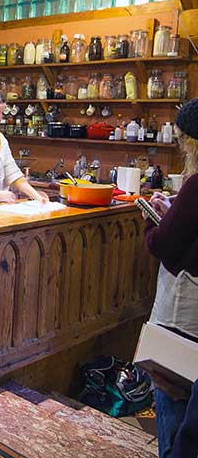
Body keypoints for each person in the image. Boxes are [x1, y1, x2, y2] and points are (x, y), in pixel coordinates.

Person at [142, 98, 198, 458]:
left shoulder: (196, 186)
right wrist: (173, 211)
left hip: (184, 308)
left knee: (172, 390)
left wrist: (151, 218)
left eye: (181, 140)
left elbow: (162, 244)